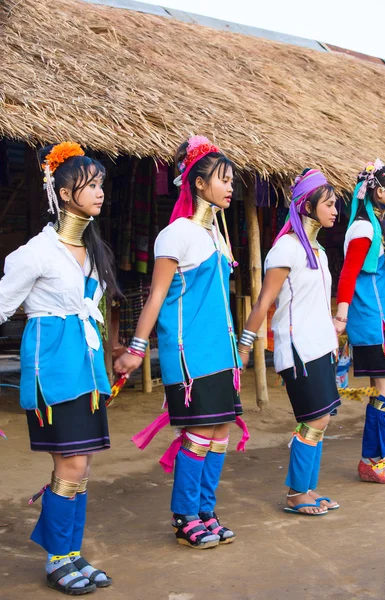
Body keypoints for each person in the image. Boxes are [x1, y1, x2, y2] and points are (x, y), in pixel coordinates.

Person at [115, 135, 246, 548]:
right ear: (198, 183)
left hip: (220, 351)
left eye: (231, 180)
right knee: (199, 434)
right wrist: (137, 347)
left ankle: (206, 511)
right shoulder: (175, 234)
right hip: (190, 354)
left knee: (221, 430)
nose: (230, 187)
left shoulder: (216, 237)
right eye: (222, 179)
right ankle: (184, 516)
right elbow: (157, 295)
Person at [0, 142, 116, 594]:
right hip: (52, 366)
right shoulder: (36, 252)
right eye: (89, 185)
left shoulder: (91, 249)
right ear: (64, 193)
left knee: (80, 465)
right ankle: (56, 559)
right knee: (69, 465)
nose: (99, 192)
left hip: (86, 369)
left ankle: (70, 553)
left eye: (101, 184)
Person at [240, 169, 340, 516]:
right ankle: (296, 494)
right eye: (328, 204)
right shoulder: (286, 249)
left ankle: (308, 489)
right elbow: (264, 302)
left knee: (322, 419)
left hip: (322, 346)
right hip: (299, 349)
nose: (334, 210)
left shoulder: (318, 251)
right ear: (307, 207)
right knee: (313, 420)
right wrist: (245, 346)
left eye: (335, 205)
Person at [335, 159, 385, 483]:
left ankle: (373, 459)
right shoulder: (364, 228)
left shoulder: (379, 223)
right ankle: (373, 460)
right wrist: (341, 317)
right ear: (380, 189)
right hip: (376, 324)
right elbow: (348, 273)